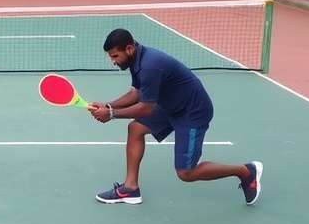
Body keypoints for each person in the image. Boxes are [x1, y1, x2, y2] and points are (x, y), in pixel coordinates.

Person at [87, 28, 262, 206]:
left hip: (192, 112)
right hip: (171, 106)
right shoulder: (136, 59)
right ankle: (130, 188)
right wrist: (109, 105)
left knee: (186, 173)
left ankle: (246, 172)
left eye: (115, 56)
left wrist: (111, 114)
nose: (113, 61)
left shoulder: (150, 65)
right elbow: (136, 93)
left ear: (129, 49)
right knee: (135, 129)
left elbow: (145, 108)